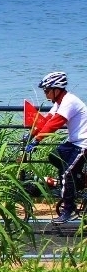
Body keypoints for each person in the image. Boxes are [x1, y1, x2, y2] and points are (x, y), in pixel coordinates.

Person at [27, 71, 87, 225]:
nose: (45, 93)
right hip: (74, 142)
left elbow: (56, 123)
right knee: (55, 156)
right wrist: (30, 134)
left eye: (47, 90)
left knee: (68, 173)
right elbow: (47, 120)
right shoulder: (59, 102)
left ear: (57, 89)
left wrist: (37, 140)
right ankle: (77, 183)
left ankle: (69, 210)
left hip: (83, 144)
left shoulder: (69, 101)